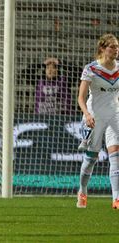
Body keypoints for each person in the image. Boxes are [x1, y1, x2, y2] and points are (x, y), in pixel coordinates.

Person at [76, 33, 119, 209]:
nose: (116, 50)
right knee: (91, 159)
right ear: (102, 48)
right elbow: (80, 97)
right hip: (94, 115)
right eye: (112, 47)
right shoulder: (91, 69)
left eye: (117, 47)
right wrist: (87, 114)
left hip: (114, 114)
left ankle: (116, 198)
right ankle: (82, 190)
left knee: (115, 155)